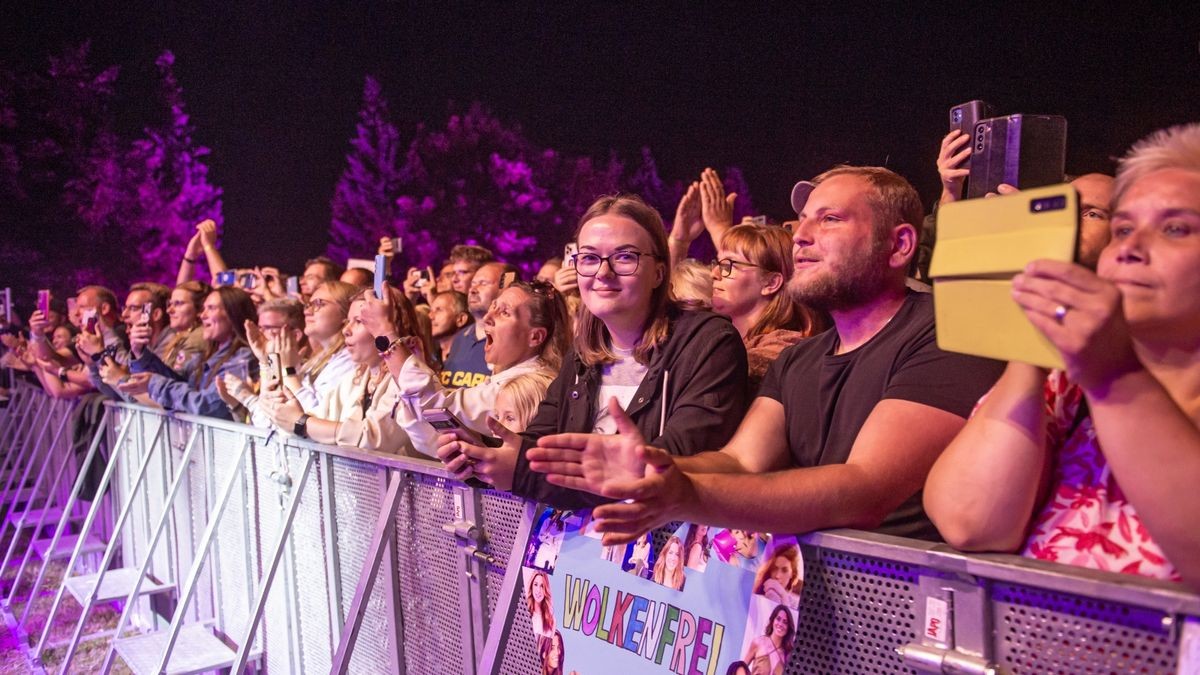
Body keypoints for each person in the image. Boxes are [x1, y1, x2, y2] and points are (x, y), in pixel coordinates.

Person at [529, 167, 1004, 542]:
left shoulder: (945, 331)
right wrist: (654, 467)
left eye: (831, 219)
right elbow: (739, 462)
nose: (799, 234)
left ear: (900, 245)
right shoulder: (799, 360)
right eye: (804, 220)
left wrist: (687, 494)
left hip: (904, 615)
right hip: (805, 613)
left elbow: (864, 489)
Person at [923, 124, 1200, 589]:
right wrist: (1033, 343)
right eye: (1123, 228)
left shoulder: (1102, 372)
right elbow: (969, 521)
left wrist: (1115, 377)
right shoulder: (1066, 381)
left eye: (1175, 228)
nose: (1129, 248)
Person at [438, 194, 750, 505]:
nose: (603, 272)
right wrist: (487, 457)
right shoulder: (583, 354)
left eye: (624, 257)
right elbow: (540, 445)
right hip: (577, 549)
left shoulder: (709, 343)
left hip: (659, 547)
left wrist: (520, 473)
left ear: (658, 271)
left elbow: (671, 466)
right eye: (588, 258)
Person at [371, 279, 566, 457]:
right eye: (493, 308)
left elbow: (438, 408)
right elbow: (433, 438)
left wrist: (385, 331)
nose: (488, 317)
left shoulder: (531, 386)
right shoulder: (507, 377)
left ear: (535, 337)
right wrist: (411, 366)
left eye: (504, 312)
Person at [259, 287, 423, 454]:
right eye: (347, 322)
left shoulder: (407, 378)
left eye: (359, 321)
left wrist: (301, 422)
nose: (346, 330)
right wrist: (278, 403)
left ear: (387, 326)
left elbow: (375, 438)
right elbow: (315, 419)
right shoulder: (356, 378)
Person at [711, 223, 824, 387]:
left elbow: (725, 372)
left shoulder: (784, 346)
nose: (714, 273)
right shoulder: (721, 337)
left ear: (771, 283)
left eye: (730, 265)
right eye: (718, 264)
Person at [118, 287, 257, 420]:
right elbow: (183, 386)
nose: (202, 315)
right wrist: (140, 352)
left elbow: (206, 406)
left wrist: (154, 383)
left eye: (211, 308)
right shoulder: (213, 354)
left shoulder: (242, 358)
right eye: (203, 309)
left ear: (233, 314)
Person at [440, 261, 514, 386]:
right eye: (473, 284)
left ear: (506, 289)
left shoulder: (509, 342)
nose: (473, 290)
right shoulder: (459, 338)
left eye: (483, 283)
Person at [742, 605, 794, 675]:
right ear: (773, 620)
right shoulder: (758, 643)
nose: (780, 624)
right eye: (778, 619)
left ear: (788, 627)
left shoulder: (788, 655)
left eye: (785, 622)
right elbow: (741, 669)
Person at [176, 219, 229, 286]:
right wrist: (190, 255)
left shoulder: (244, 277)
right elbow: (180, 294)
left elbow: (224, 286)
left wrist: (208, 246)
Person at [426, 290, 473, 365]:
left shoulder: (474, 358)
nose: (430, 316)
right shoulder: (430, 359)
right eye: (430, 311)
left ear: (460, 319)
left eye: (439, 310)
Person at [753, 544, 802, 609]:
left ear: (792, 574)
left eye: (784, 570)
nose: (777, 576)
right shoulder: (757, 593)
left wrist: (783, 596)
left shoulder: (796, 605)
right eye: (775, 569)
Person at [526, 570, 555, 639]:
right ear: (531, 586)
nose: (538, 590)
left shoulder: (551, 620)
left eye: (542, 586)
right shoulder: (524, 611)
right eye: (535, 585)